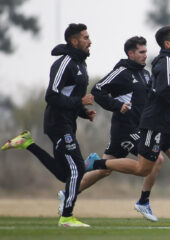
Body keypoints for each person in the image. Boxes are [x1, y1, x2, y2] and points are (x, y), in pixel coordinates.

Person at [85, 25, 170, 225]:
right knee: (143, 168)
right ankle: (96, 163)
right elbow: (165, 92)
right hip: (155, 123)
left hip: (168, 124)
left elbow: (157, 93)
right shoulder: (165, 61)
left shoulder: (165, 64)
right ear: (168, 44)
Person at [56, 36, 163, 222]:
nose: (146, 55)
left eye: (146, 51)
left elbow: (151, 98)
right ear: (130, 53)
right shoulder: (121, 72)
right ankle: (143, 201)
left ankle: (68, 192)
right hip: (125, 129)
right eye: (141, 52)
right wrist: (116, 106)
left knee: (105, 170)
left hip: (139, 128)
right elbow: (97, 90)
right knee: (156, 158)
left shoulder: (145, 74)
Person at [1, 23, 95, 227]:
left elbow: (71, 97)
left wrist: (83, 113)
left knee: (65, 174)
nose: (90, 41)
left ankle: (27, 143)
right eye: (86, 38)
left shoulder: (81, 65)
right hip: (57, 123)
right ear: (74, 41)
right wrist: (79, 103)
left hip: (68, 123)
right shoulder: (64, 63)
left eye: (89, 37)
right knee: (77, 168)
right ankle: (67, 217)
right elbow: (52, 96)